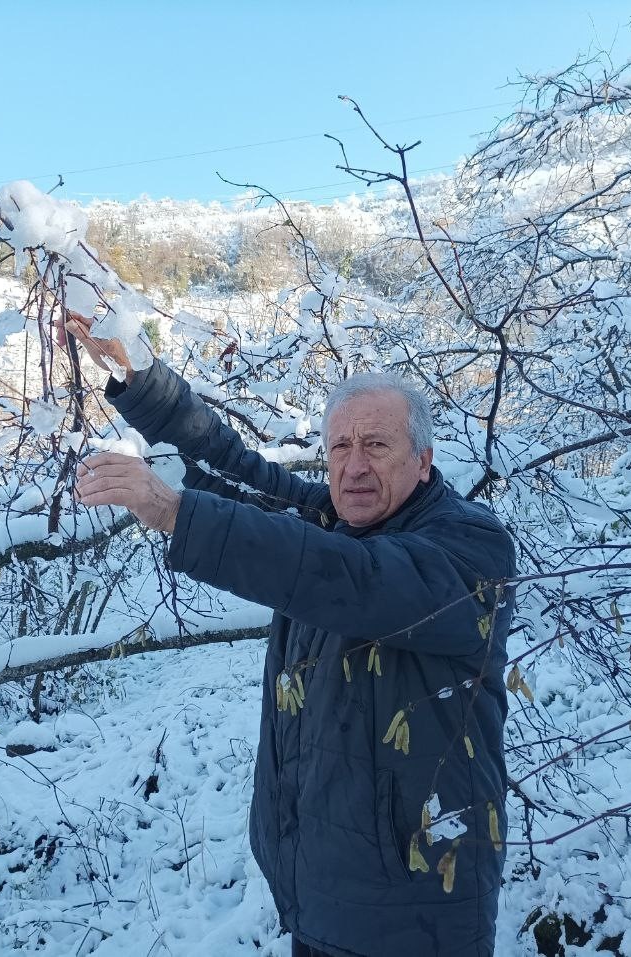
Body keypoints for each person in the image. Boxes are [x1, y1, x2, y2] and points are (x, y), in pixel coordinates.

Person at [62, 312, 516, 957]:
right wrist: (139, 378)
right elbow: (235, 468)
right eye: (339, 447)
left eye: (376, 445)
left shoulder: (470, 548)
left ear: (423, 460)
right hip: (318, 894)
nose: (353, 467)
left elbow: (352, 579)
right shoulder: (332, 522)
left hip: (414, 912)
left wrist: (173, 512)